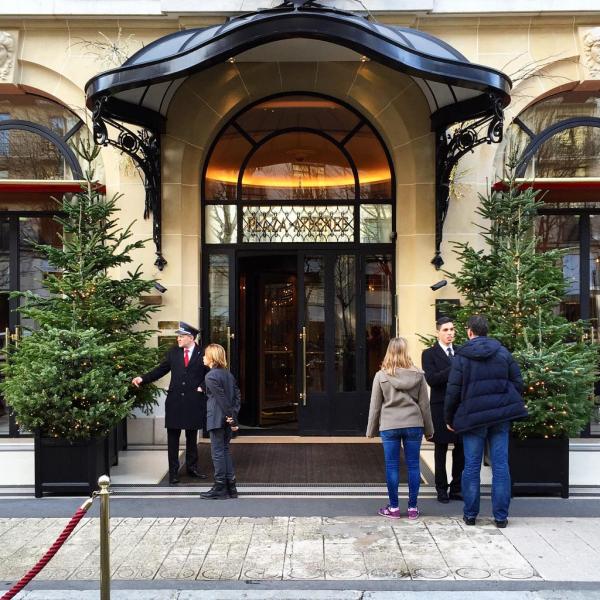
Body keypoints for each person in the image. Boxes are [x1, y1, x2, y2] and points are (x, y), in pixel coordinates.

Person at [445, 314, 527, 528]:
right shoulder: (503, 353)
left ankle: (470, 515)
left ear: (469, 332)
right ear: (486, 331)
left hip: (473, 419)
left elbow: (453, 391)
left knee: (471, 466)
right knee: (501, 466)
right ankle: (500, 517)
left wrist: (449, 417)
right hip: (499, 417)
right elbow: (518, 383)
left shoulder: (462, 356)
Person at [132, 322, 208, 485]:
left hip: (194, 400)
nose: (178, 339)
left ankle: (192, 468)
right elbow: (161, 370)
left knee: (191, 435)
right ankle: (173, 472)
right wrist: (143, 379)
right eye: (178, 336)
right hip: (175, 401)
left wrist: (203, 387)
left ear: (191, 338)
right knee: (173, 438)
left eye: (181, 336)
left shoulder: (203, 353)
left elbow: (210, 373)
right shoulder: (174, 353)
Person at [366, 337, 434, 520]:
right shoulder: (418, 375)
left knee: (392, 466)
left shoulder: (381, 376)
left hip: (390, 425)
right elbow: (424, 405)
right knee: (413, 466)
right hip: (414, 424)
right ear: (406, 351)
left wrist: (371, 430)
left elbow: (375, 406)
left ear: (389, 352)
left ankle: (394, 508)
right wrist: (429, 429)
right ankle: (412, 508)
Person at [421, 316, 464, 504]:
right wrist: (453, 367)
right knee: (441, 449)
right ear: (438, 332)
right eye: (446, 330)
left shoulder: (462, 352)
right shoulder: (429, 354)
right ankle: (441, 488)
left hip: (461, 407)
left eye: (452, 329)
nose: (450, 333)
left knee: (461, 449)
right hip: (440, 407)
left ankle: (457, 488)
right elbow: (432, 379)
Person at [200, 343, 241, 500]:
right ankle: (231, 487)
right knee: (224, 451)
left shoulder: (210, 376)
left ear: (211, 357)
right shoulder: (228, 375)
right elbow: (237, 396)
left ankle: (220, 488)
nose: (203, 357)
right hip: (226, 418)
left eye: (205, 355)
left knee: (217, 453)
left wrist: (231, 419)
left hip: (217, 418)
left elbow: (221, 399)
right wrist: (233, 417)